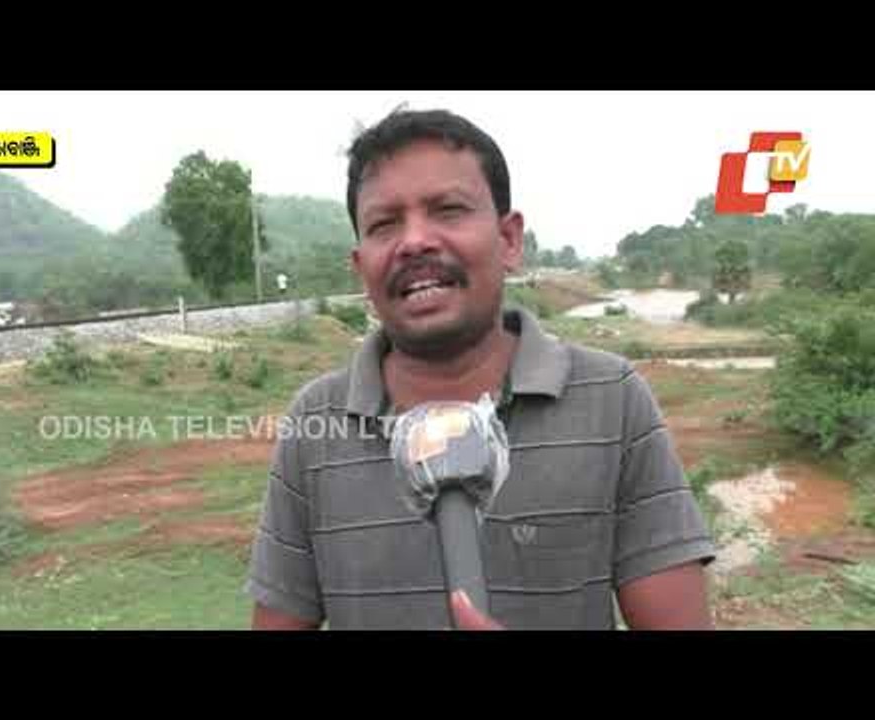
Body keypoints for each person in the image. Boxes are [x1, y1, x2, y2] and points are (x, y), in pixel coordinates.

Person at [246, 108, 716, 630]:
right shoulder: (316, 421)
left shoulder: (612, 398)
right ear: (362, 268)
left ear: (509, 240)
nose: (414, 241)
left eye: (448, 209)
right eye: (384, 224)